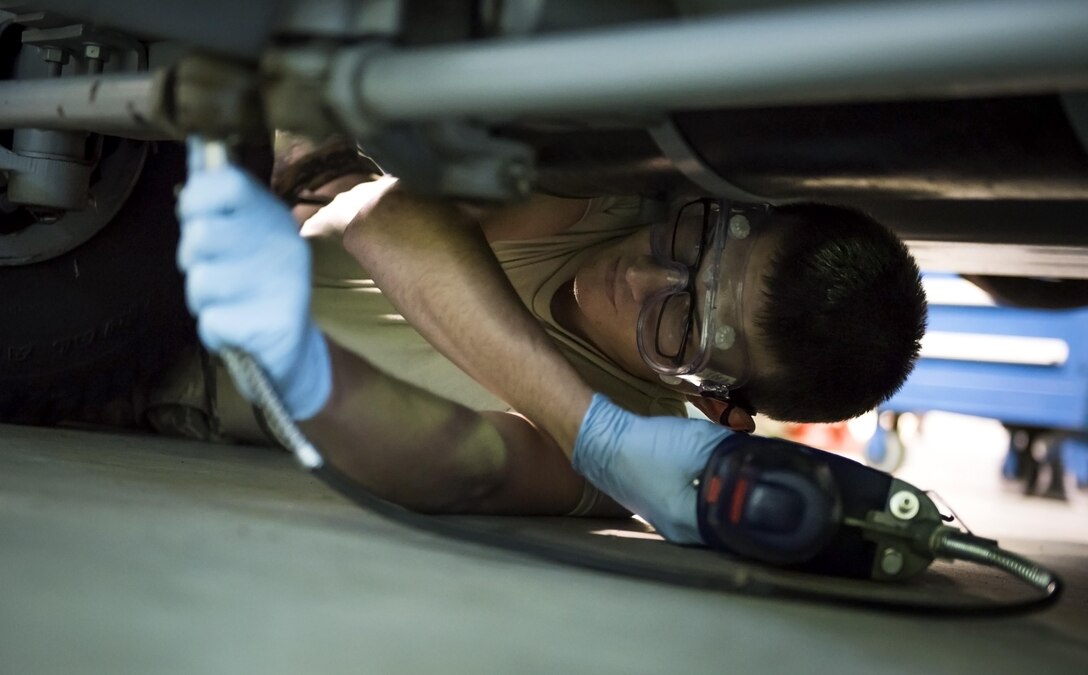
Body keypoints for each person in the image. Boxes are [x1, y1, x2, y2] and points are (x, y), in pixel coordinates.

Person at [175, 139, 926, 544]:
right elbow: (387, 218)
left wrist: (298, 365)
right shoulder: (602, 195)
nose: (640, 273)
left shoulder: (639, 451)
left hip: (152, 375)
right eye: (693, 241)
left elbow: (449, 463)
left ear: (719, 404)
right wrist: (584, 426)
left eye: (684, 322)